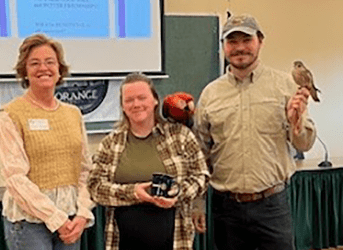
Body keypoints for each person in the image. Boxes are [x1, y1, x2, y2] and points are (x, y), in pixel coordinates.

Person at [193, 14, 317, 250]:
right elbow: (200, 155)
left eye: (246, 40)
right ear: (223, 47)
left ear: (260, 41)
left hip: (273, 206)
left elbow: (305, 144)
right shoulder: (210, 94)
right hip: (226, 210)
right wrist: (198, 203)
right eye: (232, 41)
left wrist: (296, 123)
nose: (240, 47)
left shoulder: (285, 85)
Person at [87, 72, 210, 250]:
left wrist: (177, 193)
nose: (136, 104)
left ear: (155, 101)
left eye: (142, 98)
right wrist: (133, 192)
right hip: (122, 241)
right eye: (129, 100)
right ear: (122, 106)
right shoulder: (110, 143)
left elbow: (201, 176)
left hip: (175, 240)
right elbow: (95, 187)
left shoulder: (180, 136)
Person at [0, 34, 95, 250]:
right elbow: (15, 177)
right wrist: (55, 218)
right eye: (35, 63)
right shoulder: (10, 115)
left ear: (60, 69)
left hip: (71, 219)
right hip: (29, 223)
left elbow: (85, 170)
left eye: (50, 62)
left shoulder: (73, 114)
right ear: (25, 71)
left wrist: (83, 213)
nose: (43, 68)